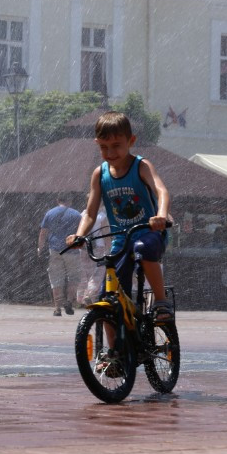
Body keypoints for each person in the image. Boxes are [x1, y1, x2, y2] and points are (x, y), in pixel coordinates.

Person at [67, 110, 172, 322]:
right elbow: (90, 212)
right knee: (108, 301)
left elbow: (161, 190)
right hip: (121, 240)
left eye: (116, 145)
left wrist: (160, 216)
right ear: (97, 143)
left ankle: (161, 303)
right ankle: (114, 353)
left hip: (149, 233)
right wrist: (79, 235)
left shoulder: (141, 166)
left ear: (131, 141)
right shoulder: (100, 174)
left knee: (143, 248)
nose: (110, 152)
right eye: (103, 147)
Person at [38, 196, 82, 316]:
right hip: (72, 250)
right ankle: (69, 302)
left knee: (56, 279)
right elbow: (82, 232)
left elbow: (43, 233)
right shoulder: (77, 215)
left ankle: (57, 308)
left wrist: (40, 248)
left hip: (55, 250)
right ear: (70, 201)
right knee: (73, 278)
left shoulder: (50, 213)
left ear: (58, 201)